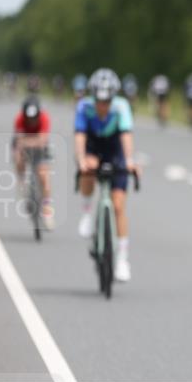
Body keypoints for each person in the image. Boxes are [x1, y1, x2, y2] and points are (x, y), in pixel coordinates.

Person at [74, 68, 140, 282]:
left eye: (107, 101)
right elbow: (80, 136)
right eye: (99, 101)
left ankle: (122, 259)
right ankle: (86, 212)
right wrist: (82, 159)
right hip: (94, 146)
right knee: (87, 170)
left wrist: (129, 161)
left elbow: (126, 136)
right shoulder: (84, 107)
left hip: (114, 150)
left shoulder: (121, 107)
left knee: (119, 204)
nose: (103, 106)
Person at [12, 96, 54, 229]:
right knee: (18, 159)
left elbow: (42, 141)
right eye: (28, 118)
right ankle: (22, 183)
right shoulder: (19, 119)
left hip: (40, 148)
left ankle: (47, 209)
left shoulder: (44, 118)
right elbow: (18, 143)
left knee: (43, 176)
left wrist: (27, 141)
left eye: (34, 118)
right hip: (24, 146)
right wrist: (20, 152)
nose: (31, 121)